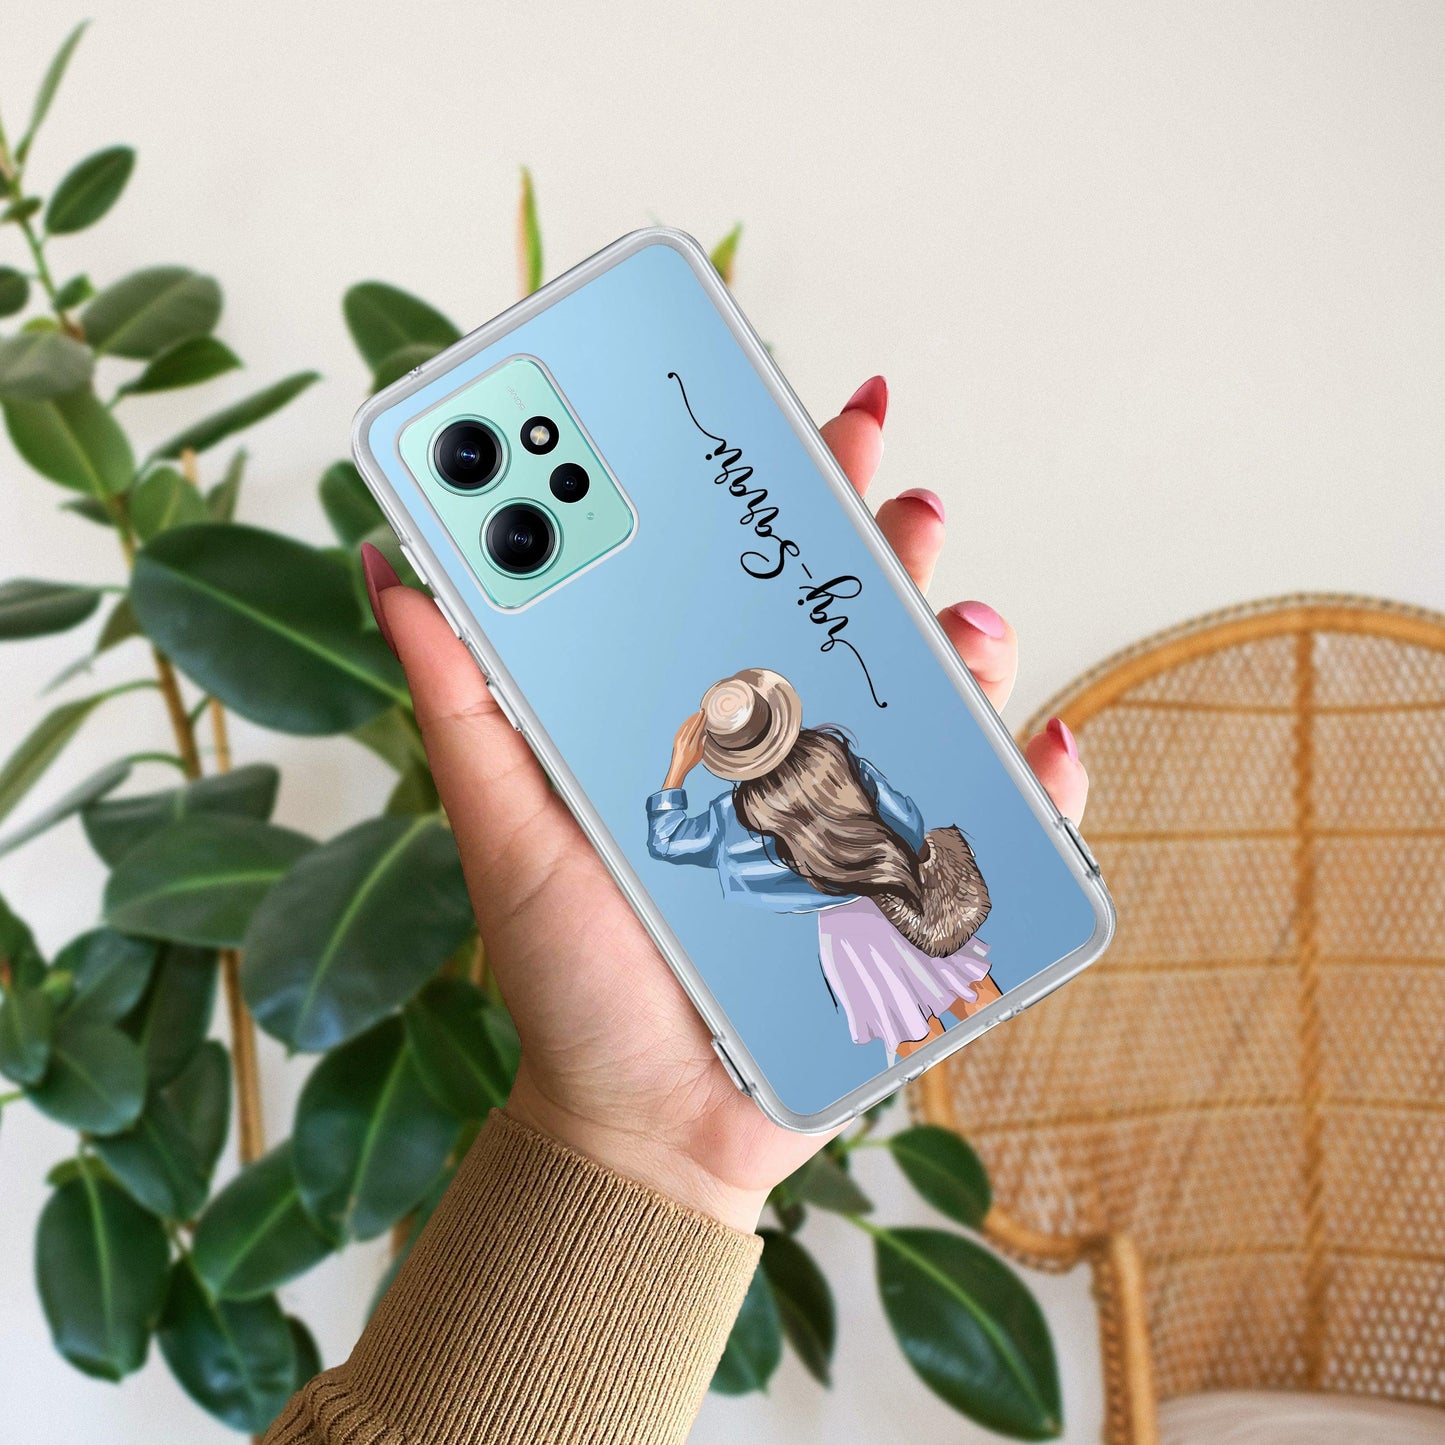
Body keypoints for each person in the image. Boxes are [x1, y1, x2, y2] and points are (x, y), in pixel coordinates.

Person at [264, 376, 1088, 1445]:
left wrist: (675, 763)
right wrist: (643, 1148)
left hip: (841, 940)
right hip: (889, 903)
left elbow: (674, 838)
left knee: (905, 1002)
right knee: (943, 980)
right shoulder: (838, 752)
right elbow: (893, 805)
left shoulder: (744, 816)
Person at [647, 670, 998, 1059]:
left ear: (723, 753)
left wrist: (679, 767)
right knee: (972, 993)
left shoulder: (728, 818)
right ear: (777, 720)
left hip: (847, 938)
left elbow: (666, 842)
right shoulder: (833, 758)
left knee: (915, 1038)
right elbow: (907, 823)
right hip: (896, 895)